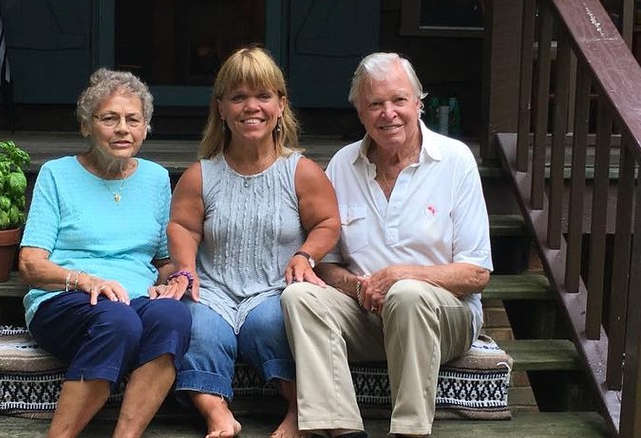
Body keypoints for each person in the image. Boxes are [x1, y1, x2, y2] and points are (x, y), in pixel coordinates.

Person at [281, 52, 493, 438]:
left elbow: (477, 274)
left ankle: (410, 430)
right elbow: (326, 264)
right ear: (360, 113)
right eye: (374, 104)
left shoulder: (454, 160)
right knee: (300, 297)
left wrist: (400, 277)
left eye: (398, 100)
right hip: (367, 311)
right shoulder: (343, 164)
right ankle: (340, 427)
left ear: (418, 103)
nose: (388, 113)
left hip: (445, 315)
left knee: (408, 295)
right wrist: (359, 287)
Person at [161, 46, 340, 438]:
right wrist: (186, 269)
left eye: (263, 96)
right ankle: (216, 411)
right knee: (192, 321)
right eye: (238, 97)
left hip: (275, 289)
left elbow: (327, 222)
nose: (251, 107)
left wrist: (305, 255)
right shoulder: (201, 174)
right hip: (214, 289)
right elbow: (183, 228)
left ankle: (298, 411)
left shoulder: (301, 172)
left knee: (275, 323)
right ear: (221, 108)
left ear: (280, 104)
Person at [18, 68, 192, 438]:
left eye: (133, 119)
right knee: (119, 320)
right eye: (109, 118)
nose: (122, 129)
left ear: (145, 128)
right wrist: (85, 281)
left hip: (133, 296)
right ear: (86, 126)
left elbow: (161, 261)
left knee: (173, 316)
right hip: (65, 298)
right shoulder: (56, 174)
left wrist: (174, 278)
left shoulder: (156, 178)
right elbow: (30, 263)